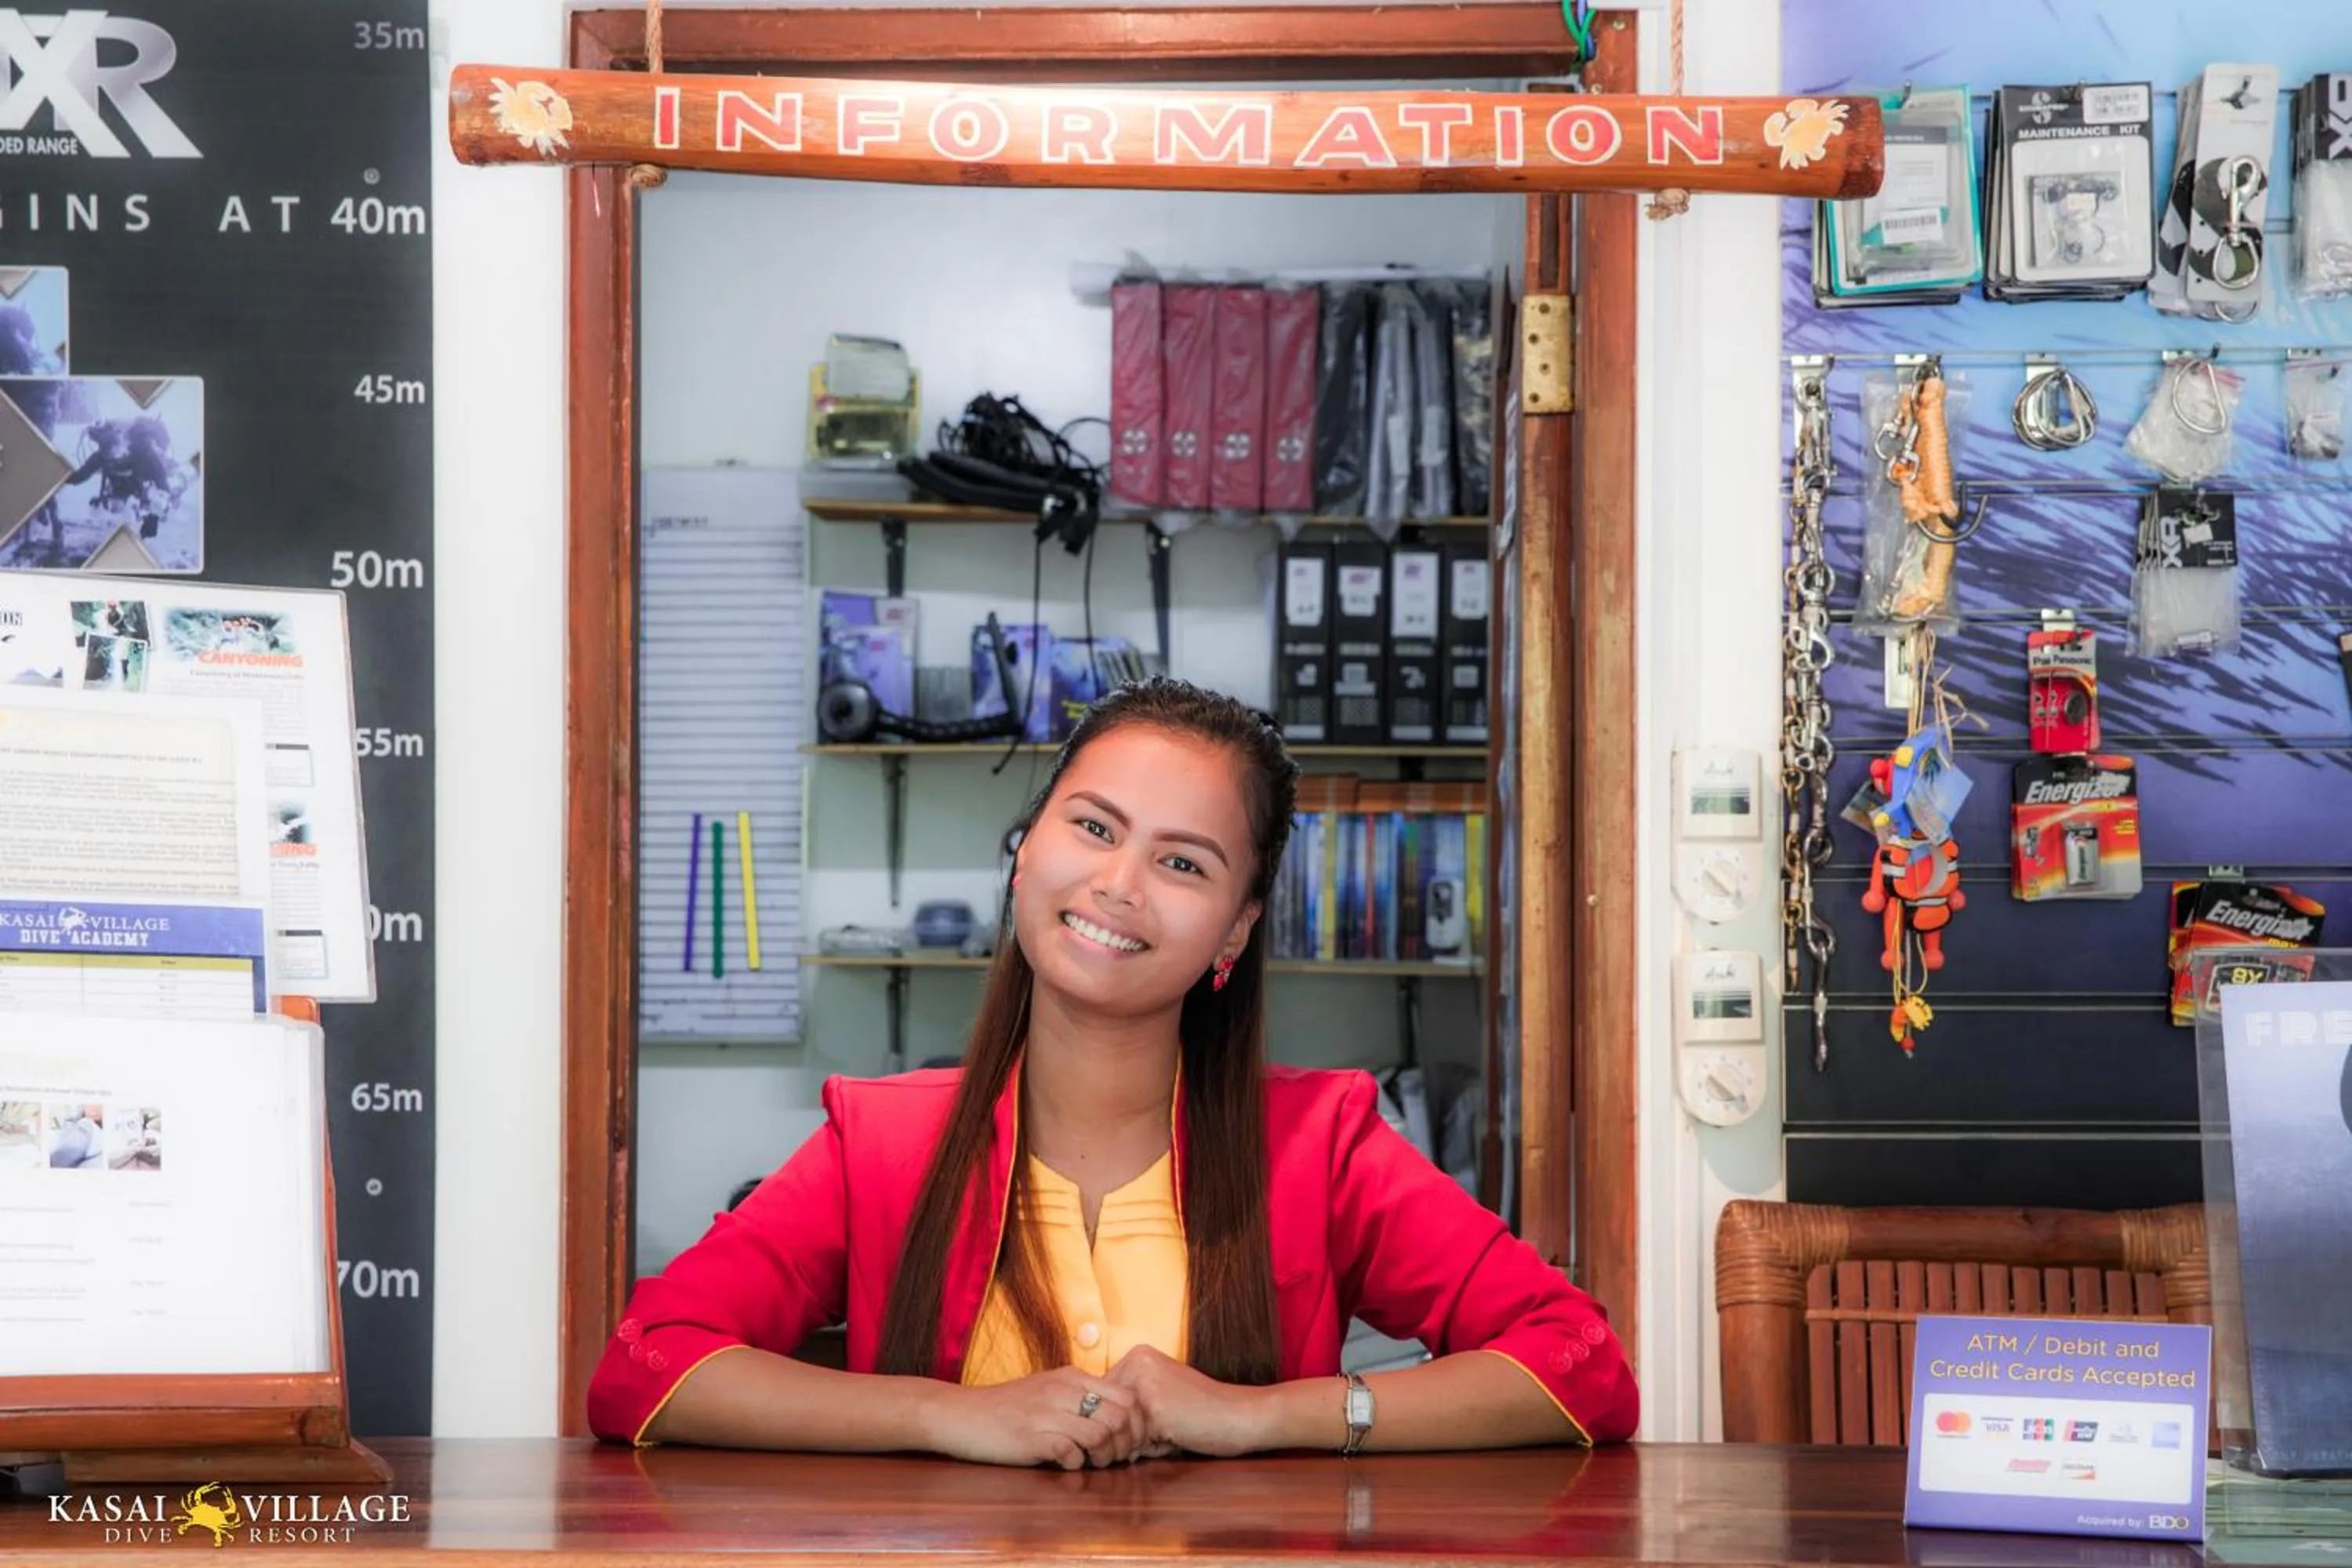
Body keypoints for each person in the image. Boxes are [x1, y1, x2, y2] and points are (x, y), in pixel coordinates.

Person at [589, 677, 1638, 1467]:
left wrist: (1262, 1416)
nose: (1119, 884)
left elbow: (1582, 1367)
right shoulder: (881, 1141)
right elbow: (644, 1368)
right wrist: (948, 1415)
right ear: (1023, 854)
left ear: (1236, 931)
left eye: (1183, 863)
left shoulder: (1321, 1144)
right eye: (1093, 828)